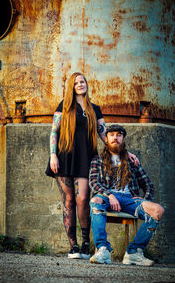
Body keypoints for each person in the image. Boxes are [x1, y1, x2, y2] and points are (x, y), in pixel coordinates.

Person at [45, 73, 139, 260]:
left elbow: (105, 136)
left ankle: (86, 242)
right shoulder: (63, 106)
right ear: (71, 86)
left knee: (83, 200)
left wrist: (124, 152)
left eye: (83, 82)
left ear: (87, 85)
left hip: (86, 159)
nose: (80, 85)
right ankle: (73, 246)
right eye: (77, 83)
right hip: (64, 158)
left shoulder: (94, 109)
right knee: (68, 201)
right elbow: (54, 131)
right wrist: (53, 155)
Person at [89, 124, 165, 266]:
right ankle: (103, 250)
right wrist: (110, 195)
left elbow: (148, 184)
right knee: (96, 199)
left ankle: (134, 252)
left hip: (130, 200)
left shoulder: (132, 161)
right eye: (112, 135)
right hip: (107, 198)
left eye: (119, 135)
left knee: (158, 210)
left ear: (123, 139)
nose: (115, 138)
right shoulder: (97, 160)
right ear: (106, 139)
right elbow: (93, 183)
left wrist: (144, 199)